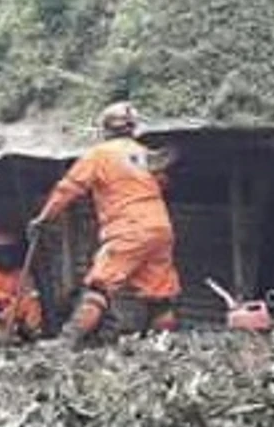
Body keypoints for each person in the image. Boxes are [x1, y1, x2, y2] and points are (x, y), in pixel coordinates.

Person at [27, 102, 179, 344]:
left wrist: (44, 218)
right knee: (159, 296)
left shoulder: (100, 154)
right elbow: (162, 183)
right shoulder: (143, 154)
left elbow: (69, 188)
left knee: (99, 287)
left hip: (128, 228)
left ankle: (65, 343)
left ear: (105, 129)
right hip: (160, 229)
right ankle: (163, 345)